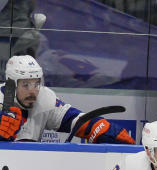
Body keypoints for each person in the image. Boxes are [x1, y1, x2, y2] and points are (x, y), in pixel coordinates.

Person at [1, 55, 134, 144]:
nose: (33, 91)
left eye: (36, 84)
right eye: (25, 85)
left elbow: (76, 120)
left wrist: (103, 129)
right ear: (11, 84)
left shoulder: (44, 98)